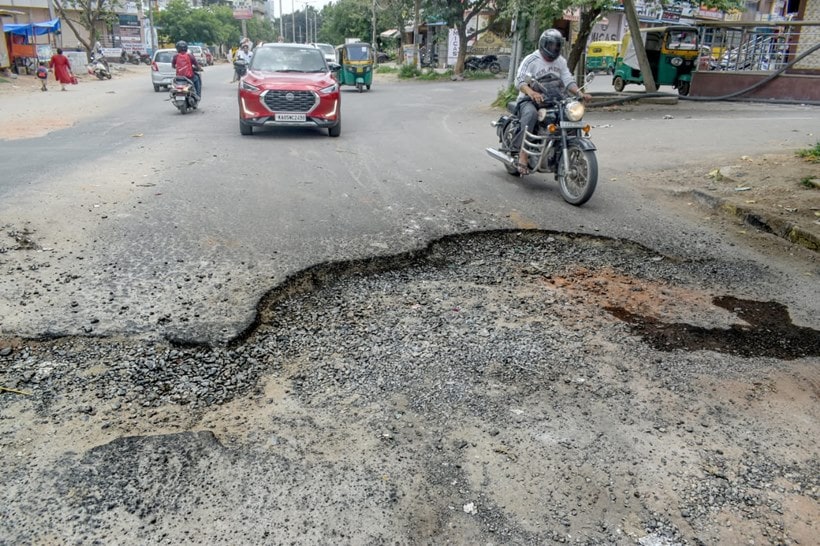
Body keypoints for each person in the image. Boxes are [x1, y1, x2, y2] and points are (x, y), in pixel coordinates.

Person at [511, 29, 592, 175]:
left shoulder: (560, 61)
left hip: (554, 99)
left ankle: (565, 148)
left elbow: (568, 80)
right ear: (543, 44)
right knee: (531, 115)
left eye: (557, 46)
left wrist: (580, 93)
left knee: (571, 115)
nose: (554, 49)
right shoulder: (531, 59)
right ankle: (523, 155)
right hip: (529, 99)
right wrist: (531, 92)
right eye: (551, 45)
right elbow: (519, 80)